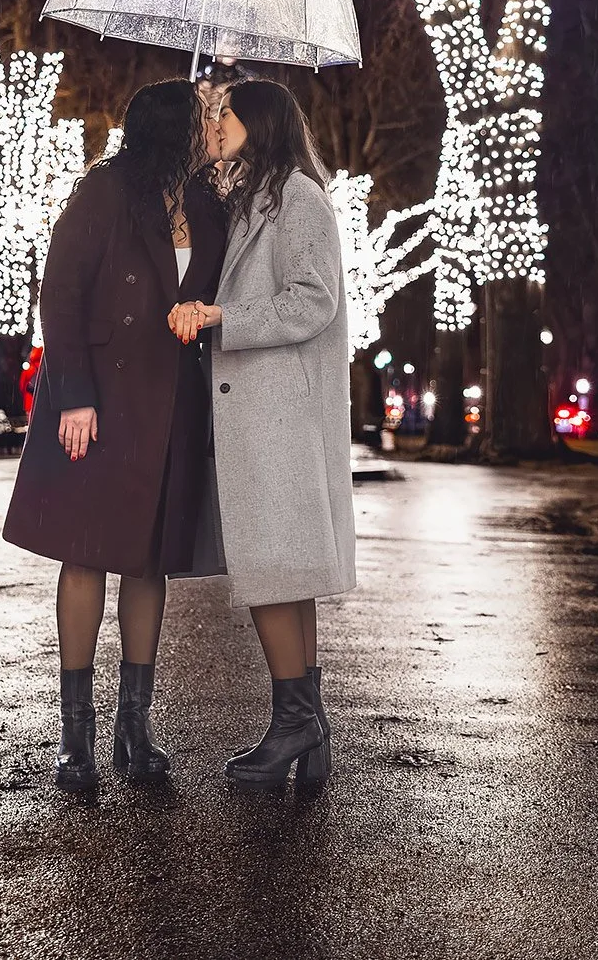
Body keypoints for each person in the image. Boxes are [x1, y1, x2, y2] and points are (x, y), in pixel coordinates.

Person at [1, 79, 229, 793]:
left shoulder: (209, 202)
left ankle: (136, 726)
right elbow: (60, 293)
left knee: (147, 561)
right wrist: (72, 396)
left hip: (172, 400)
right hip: (99, 401)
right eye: (204, 117)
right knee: (85, 555)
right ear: (171, 127)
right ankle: (76, 736)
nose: (214, 125)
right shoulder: (104, 190)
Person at [167, 77, 354, 793]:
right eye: (214, 114)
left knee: (277, 569)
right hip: (267, 414)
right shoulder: (254, 197)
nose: (215, 124)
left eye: (227, 114)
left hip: (281, 417)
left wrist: (224, 318)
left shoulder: (297, 197)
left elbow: (313, 300)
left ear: (263, 123)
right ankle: (306, 724)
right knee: (287, 570)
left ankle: (294, 724)